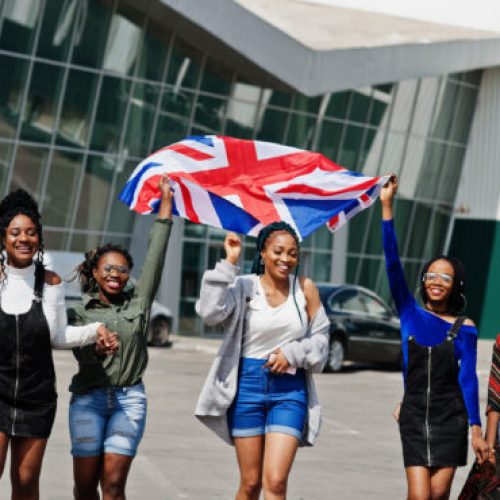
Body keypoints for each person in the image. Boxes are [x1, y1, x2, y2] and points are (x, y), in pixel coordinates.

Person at [195, 222, 330, 500]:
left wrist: (292, 353)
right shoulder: (244, 285)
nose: (286, 259)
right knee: (251, 483)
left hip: (289, 391)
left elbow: (321, 340)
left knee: (277, 482)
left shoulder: (305, 288)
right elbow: (210, 314)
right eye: (278, 251)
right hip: (247, 387)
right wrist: (228, 264)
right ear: (263, 253)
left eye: (292, 253)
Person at [0, 189, 115, 500]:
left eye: (31, 232)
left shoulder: (50, 283)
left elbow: (58, 336)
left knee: (25, 481)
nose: (23, 238)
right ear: (3, 238)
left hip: (37, 399)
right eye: (15, 232)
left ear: (39, 238)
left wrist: (95, 330)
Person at [381, 175, 489, 499]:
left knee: (439, 496)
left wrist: (475, 427)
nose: (437, 281)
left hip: (451, 419)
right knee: (419, 497)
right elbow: (392, 263)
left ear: (455, 285)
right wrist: (387, 206)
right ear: (424, 280)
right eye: (432, 275)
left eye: (446, 277)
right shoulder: (410, 314)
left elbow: (468, 377)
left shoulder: (465, 327)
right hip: (414, 415)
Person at [68, 175, 173, 500]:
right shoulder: (81, 312)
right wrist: (95, 349)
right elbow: (76, 351)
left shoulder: (138, 302)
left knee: (113, 486)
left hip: (129, 401)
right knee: (86, 488)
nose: (116, 275)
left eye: (123, 270)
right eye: (109, 269)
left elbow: (155, 255)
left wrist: (166, 205)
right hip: (88, 399)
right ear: (96, 273)